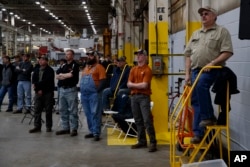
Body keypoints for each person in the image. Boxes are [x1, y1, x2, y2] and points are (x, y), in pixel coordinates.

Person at [184, 6, 233, 144]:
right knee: (195, 101)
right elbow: (188, 55)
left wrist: (212, 63)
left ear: (214, 16)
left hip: (213, 69)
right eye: (202, 14)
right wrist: (187, 74)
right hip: (195, 70)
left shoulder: (221, 32)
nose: (203, 16)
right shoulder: (196, 34)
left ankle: (209, 116)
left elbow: (227, 52)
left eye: (206, 14)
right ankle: (198, 134)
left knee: (200, 86)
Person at [127, 49, 157, 152]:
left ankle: (153, 142)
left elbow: (145, 85)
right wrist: (136, 86)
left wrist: (133, 85)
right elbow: (128, 84)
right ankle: (142, 141)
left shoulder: (148, 70)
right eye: (137, 55)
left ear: (145, 57)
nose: (138, 56)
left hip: (144, 97)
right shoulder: (133, 69)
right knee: (138, 120)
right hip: (134, 97)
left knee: (147, 120)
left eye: (140, 55)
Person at [80, 50, 106, 141]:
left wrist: (97, 91)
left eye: (91, 56)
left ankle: (96, 133)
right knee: (88, 113)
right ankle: (91, 131)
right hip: (84, 94)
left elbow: (103, 81)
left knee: (95, 113)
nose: (89, 57)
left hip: (94, 94)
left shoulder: (99, 67)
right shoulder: (86, 68)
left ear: (95, 57)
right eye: (88, 56)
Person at [55, 49, 79, 137]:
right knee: (62, 109)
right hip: (62, 90)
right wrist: (64, 75)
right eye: (66, 54)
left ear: (72, 56)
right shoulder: (63, 65)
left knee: (73, 110)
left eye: (69, 54)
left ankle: (74, 129)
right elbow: (57, 76)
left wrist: (63, 75)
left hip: (71, 90)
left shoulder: (75, 65)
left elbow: (71, 75)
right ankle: (65, 128)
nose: (67, 56)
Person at [29, 56, 55, 133]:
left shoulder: (50, 70)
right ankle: (37, 126)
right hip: (38, 92)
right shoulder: (36, 70)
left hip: (47, 92)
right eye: (40, 60)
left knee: (48, 110)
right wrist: (37, 89)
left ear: (46, 61)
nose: (40, 61)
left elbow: (47, 81)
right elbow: (33, 80)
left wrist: (39, 87)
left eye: (43, 60)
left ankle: (48, 126)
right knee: (37, 109)